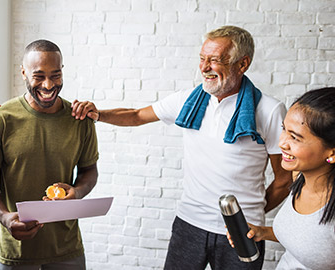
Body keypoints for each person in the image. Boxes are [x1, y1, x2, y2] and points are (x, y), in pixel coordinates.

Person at [71, 25, 293, 269]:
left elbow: (284, 179)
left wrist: (248, 215)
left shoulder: (269, 110)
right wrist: (98, 114)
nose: (204, 67)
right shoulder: (189, 100)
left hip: (241, 231)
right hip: (189, 223)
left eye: (215, 60)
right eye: (202, 59)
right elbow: (136, 115)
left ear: (242, 64)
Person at [0, 39, 99, 270]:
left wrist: (77, 192)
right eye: (39, 76)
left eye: (56, 75)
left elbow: (89, 171)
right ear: (23, 72)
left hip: (66, 248)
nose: (49, 85)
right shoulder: (1, 119)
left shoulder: (80, 120)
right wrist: (5, 218)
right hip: (15, 252)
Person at [227, 88, 335, 269]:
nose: (282, 143)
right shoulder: (298, 177)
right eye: (284, 129)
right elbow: (310, 239)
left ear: (332, 152)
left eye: (295, 138)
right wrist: (262, 232)